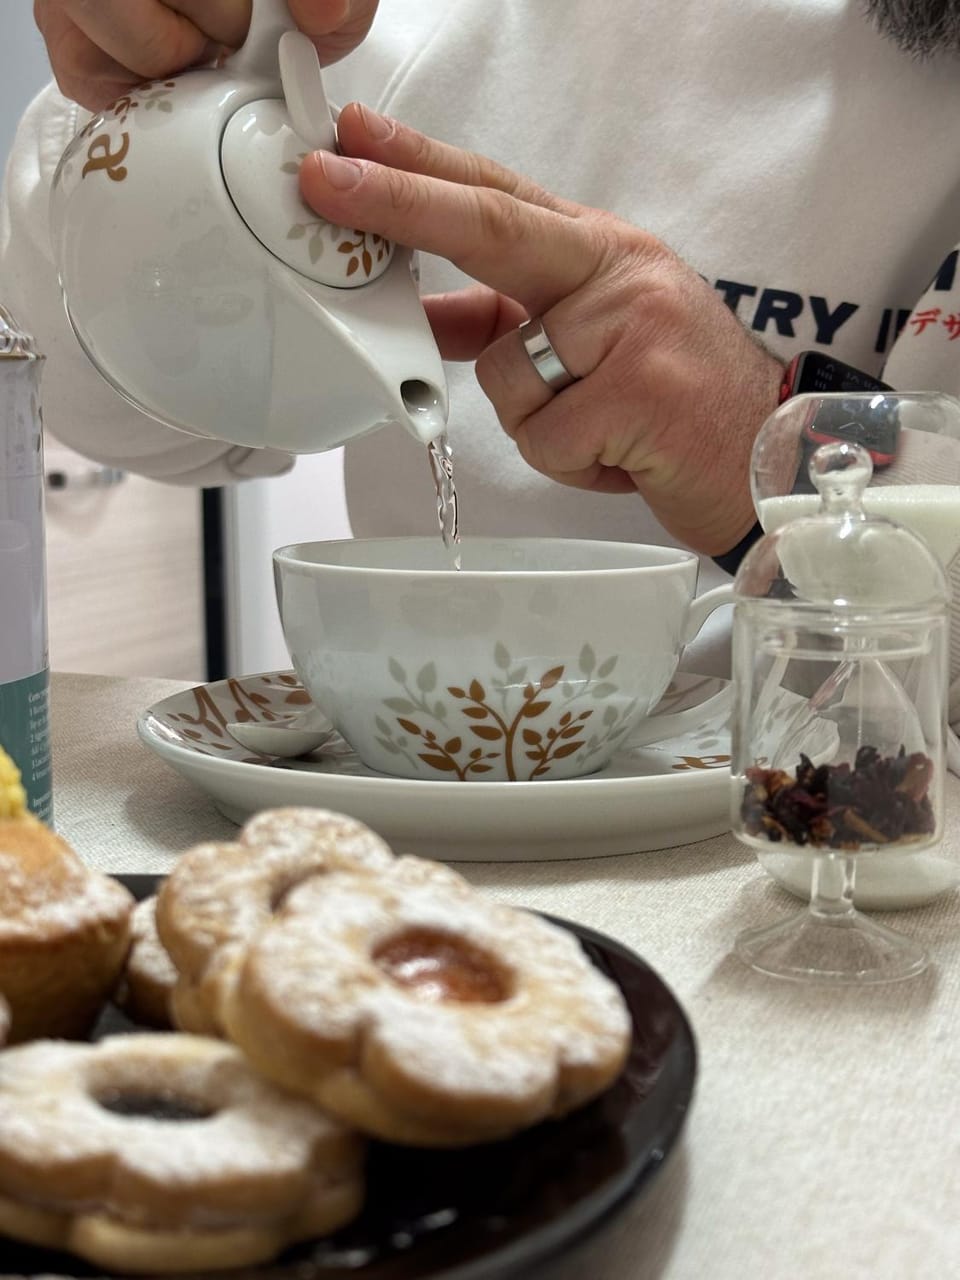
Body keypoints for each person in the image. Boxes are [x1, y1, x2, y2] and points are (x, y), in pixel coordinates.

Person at [4, 0, 960, 692]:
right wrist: (134, 99)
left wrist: (759, 443)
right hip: (412, 835)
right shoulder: (408, 29)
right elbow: (117, 414)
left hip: (830, 838)